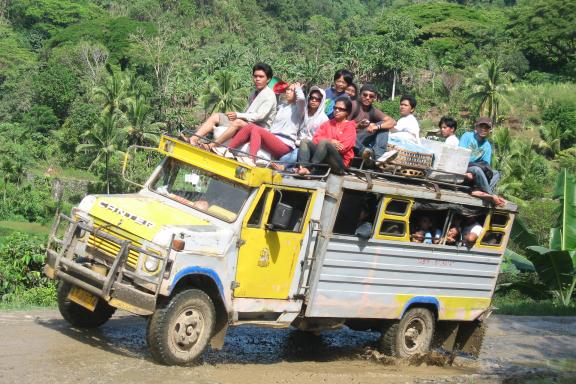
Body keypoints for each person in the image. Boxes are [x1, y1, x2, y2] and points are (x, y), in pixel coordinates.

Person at [189, 63, 277, 148]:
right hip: (247, 124)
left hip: (259, 129)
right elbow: (248, 113)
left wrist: (238, 115)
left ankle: (211, 145)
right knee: (216, 116)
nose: (257, 79)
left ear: (268, 79)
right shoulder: (253, 93)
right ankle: (193, 139)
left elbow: (259, 116)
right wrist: (235, 116)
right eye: (255, 76)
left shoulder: (269, 95)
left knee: (237, 122)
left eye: (261, 77)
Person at [223, 83, 305, 167]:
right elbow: (277, 91)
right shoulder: (281, 106)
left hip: (285, 144)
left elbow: (301, 99)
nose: (288, 92)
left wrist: (298, 89)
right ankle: (227, 150)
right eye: (288, 89)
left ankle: (251, 159)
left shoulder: (299, 109)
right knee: (250, 126)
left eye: (292, 90)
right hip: (273, 138)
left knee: (256, 129)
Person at [297, 97, 356, 176]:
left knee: (324, 142)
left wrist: (328, 144)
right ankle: (303, 167)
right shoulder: (327, 123)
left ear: (347, 112)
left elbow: (343, 148)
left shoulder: (350, 127)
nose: (337, 110)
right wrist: (331, 141)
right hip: (323, 158)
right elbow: (315, 139)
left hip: (339, 163)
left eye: (341, 109)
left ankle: (310, 169)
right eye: (335, 108)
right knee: (305, 141)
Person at [459, 117, 506, 207]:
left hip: (476, 172)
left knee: (496, 173)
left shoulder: (487, 145)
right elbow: (461, 155)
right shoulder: (467, 136)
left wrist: (477, 172)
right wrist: (466, 172)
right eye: (481, 126)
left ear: (489, 130)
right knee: (477, 169)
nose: (483, 129)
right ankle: (491, 194)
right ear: (476, 127)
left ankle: (477, 191)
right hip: (464, 167)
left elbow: (485, 164)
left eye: (486, 128)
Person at [279, 86, 329, 164]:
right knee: (284, 156)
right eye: (312, 98)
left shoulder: (324, 119)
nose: (313, 100)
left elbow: (320, 139)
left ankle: (284, 167)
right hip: (295, 141)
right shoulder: (303, 112)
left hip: (310, 146)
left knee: (294, 155)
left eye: (317, 99)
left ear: (322, 101)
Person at [351, 84, 396, 165]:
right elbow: (342, 126)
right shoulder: (353, 105)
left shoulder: (373, 110)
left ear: (374, 98)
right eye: (365, 95)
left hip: (363, 140)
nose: (367, 98)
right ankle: (365, 152)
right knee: (349, 134)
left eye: (371, 96)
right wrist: (357, 125)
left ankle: (379, 158)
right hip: (351, 140)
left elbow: (392, 122)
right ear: (360, 94)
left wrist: (376, 127)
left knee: (383, 125)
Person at [376, 95, 425, 164]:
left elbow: (393, 131)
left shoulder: (408, 119)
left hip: (409, 145)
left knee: (383, 134)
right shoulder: (405, 119)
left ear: (412, 109)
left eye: (405, 105)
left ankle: (379, 156)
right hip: (409, 144)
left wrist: (382, 126)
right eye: (401, 104)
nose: (402, 107)